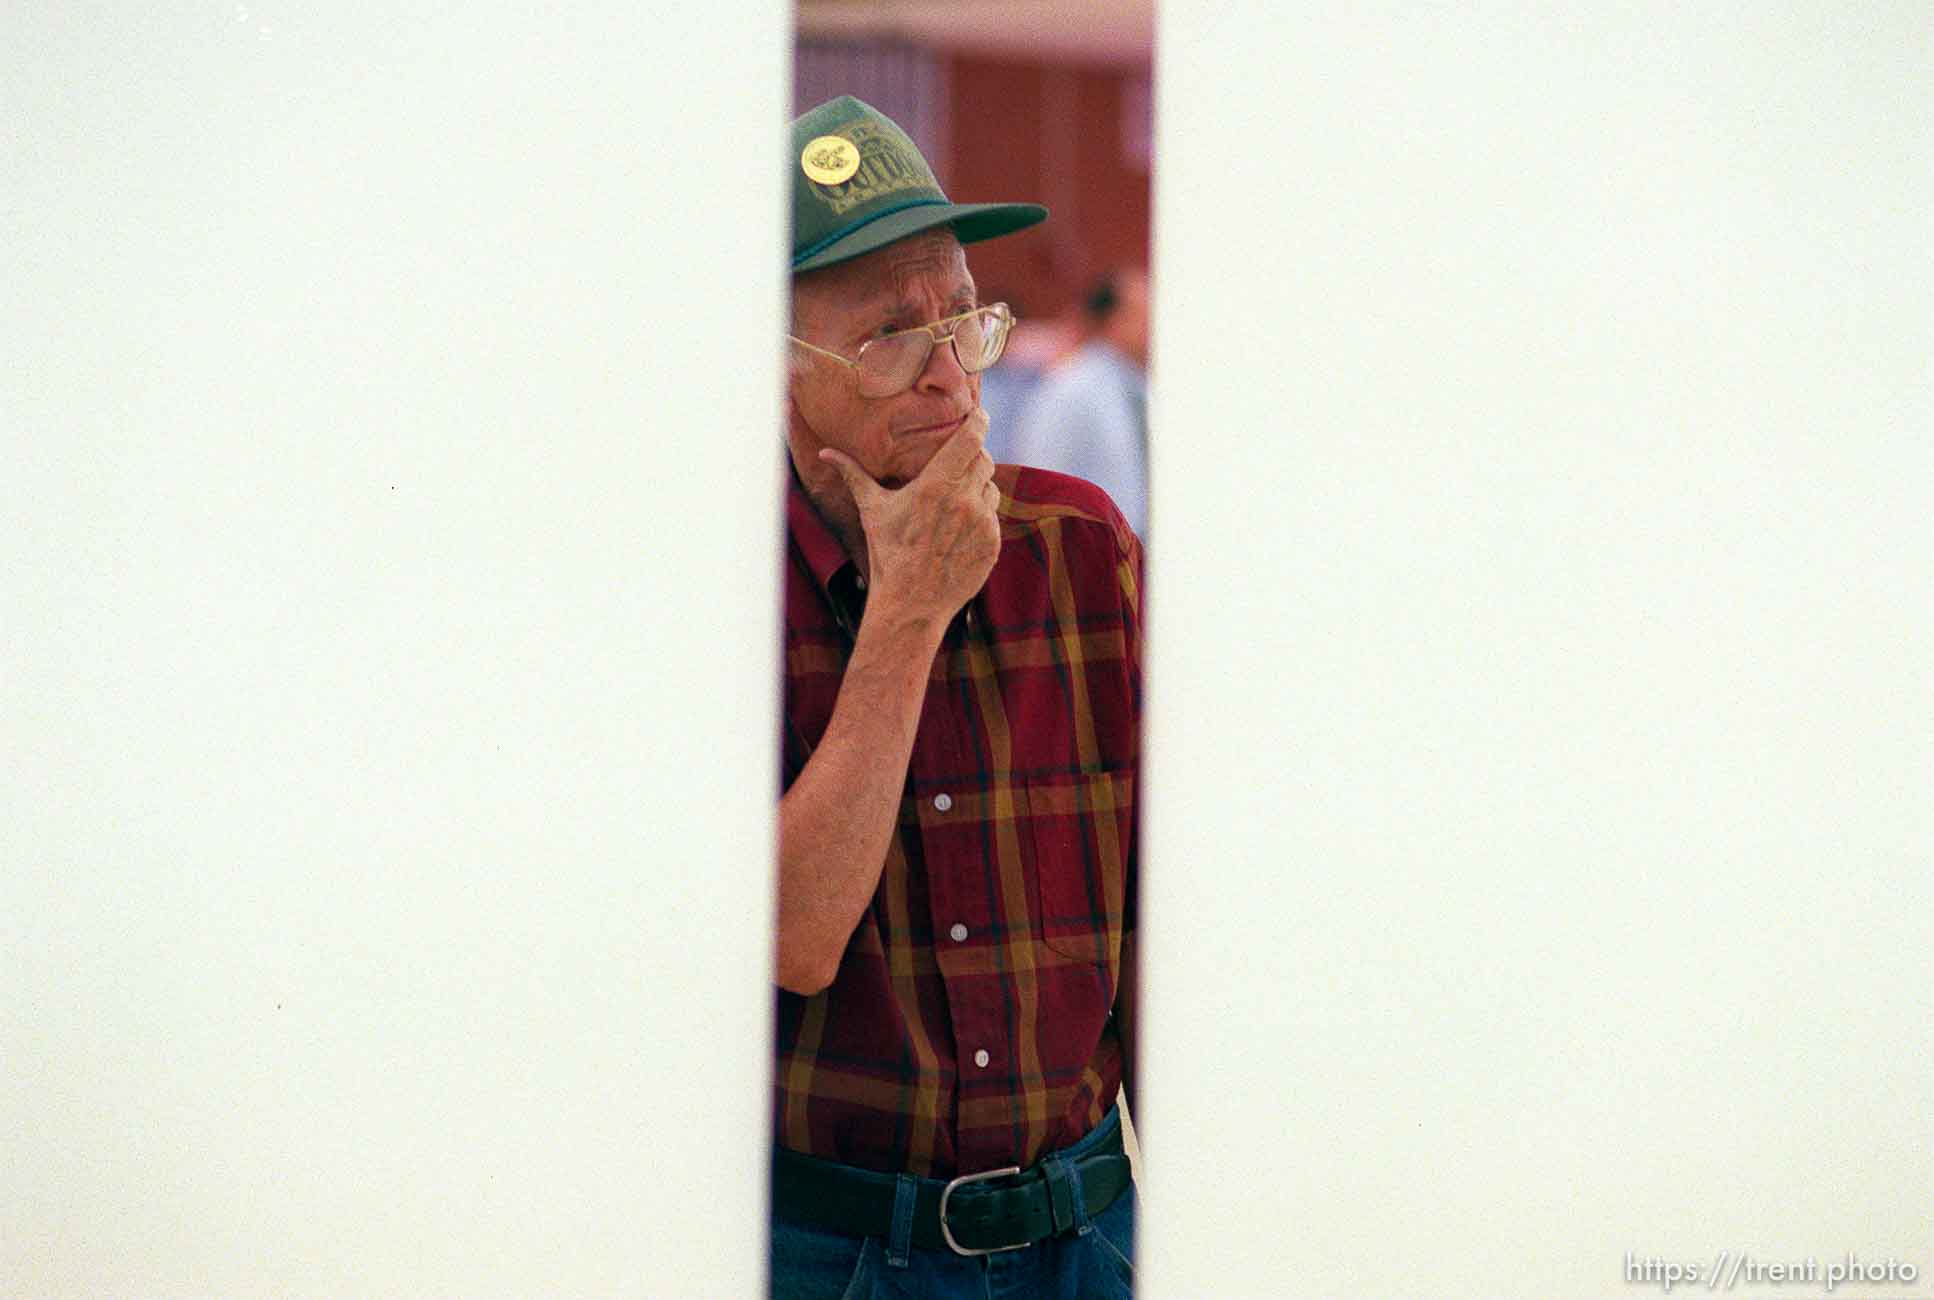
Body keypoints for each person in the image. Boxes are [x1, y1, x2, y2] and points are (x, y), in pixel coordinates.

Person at [773, 95, 1143, 1299]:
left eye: (964, 320)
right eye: (888, 335)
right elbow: (790, 936)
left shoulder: (1081, 548)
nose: (951, 376)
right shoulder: (716, 593)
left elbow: (1160, 928)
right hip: (836, 1253)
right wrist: (909, 611)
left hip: (1089, 1231)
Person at [1006, 268, 1152, 539]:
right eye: (1142, 315)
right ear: (1113, 320)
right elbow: (1037, 477)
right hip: (1089, 554)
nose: (1154, 324)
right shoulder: (1070, 387)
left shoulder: (1141, 387)